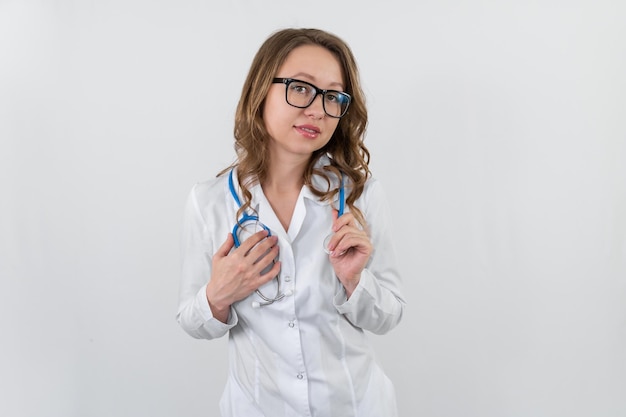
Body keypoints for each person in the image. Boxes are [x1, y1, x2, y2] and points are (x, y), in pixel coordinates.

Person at [177, 27, 406, 417]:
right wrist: (218, 294)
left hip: (353, 405)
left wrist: (354, 282)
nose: (318, 109)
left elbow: (389, 314)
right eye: (301, 87)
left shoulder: (359, 195)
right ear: (261, 90)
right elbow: (192, 321)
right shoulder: (209, 201)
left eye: (333, 95)